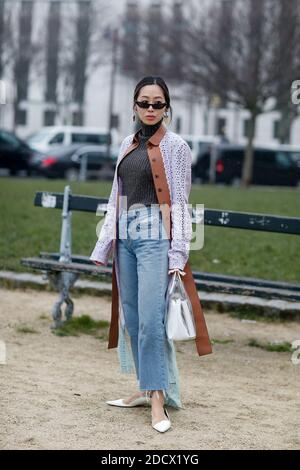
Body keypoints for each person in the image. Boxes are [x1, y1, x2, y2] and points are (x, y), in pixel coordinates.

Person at [90, 75, 212, 433]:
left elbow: (181, 203)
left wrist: (178, 255)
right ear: (134, 106)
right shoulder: (126, 144)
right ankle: (145, 389)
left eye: (158, 103)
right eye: (144, 102)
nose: (150, 109)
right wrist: (105, 243)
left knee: (150, 321)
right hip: (125, 235)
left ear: (167, 108)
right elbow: (116, 197)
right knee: (132, 319)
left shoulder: (176, 147)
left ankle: (159, 399)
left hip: (154, 237)